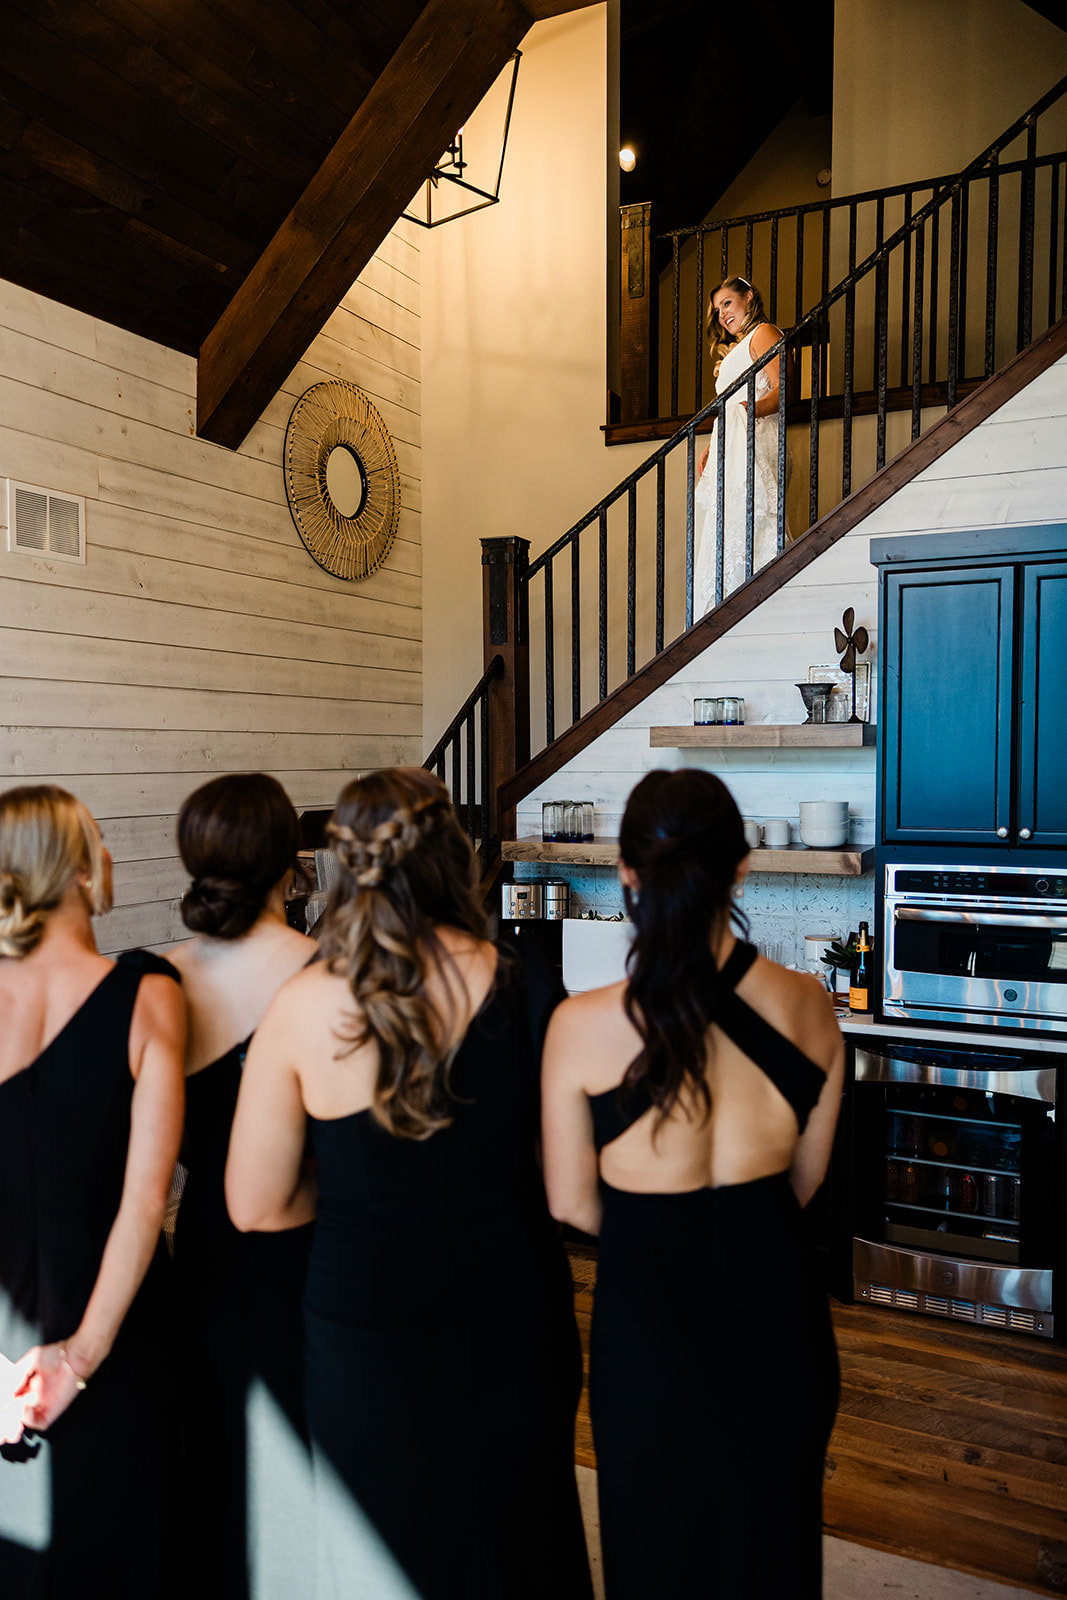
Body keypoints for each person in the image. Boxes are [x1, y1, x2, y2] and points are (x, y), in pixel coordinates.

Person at [226, 768, 593, 1600]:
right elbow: (557, 1165)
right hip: (512, 1303)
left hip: (366, 1319)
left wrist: (360, 1199)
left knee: (378, 1542)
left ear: (338, 866)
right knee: (522, 1530)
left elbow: (254, 1204)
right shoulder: (526, 979)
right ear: (450, 859)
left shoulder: (301, 1004)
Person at [541, 768, 843, 1600]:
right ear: (739, 869)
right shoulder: (808, 1006)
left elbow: (567, 1203)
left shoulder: (577, 1026)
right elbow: (805, 1182)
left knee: (654, 1547)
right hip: (777, 1316)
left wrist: (655, 1225)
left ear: (625, 874)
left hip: (651, 1325)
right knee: (771, 1545)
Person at [0, 784, 186, 1596]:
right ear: (75, 869)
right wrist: (80, 1358)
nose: (110, 854)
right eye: (100, 841)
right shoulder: (149, 997)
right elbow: (145, 1203)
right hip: (120, 1330)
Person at [166, 773, 317, 1599]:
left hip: (203, 1247)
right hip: (305, 1246)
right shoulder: (323, 972)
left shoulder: (153, 982)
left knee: (213, 1444)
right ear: (289, 864)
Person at [693, 276, 787, 613]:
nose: (721, 314)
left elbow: (784, 388)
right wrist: (712, 444)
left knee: (754, 522)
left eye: (727, 303)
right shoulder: (738, 347)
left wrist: (748, 410)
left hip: (755, 441)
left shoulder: (764, 333)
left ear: (749, 296)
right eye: (717, 310)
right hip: (732, 445)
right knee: (728, 526)